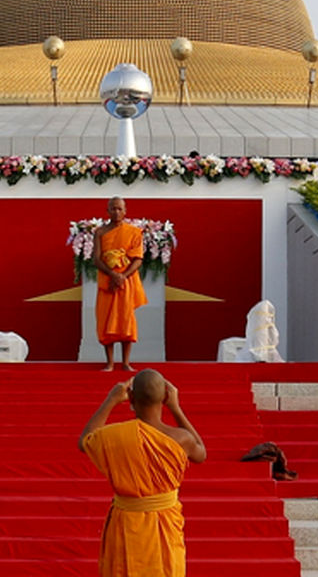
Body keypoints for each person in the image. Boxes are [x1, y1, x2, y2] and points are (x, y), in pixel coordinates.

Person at [80, 369, 207, 577]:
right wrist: (175, 408)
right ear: (165, 397)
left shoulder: (116, 435)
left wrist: (111, 400)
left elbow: (85, 440)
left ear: (130, 397)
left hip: (126, 524)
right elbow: (201, 452)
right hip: (165, 522)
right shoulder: (181, 438)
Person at [93, 196, 147, 371]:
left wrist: (122, 276)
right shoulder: (100, 232)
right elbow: (97, 259)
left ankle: (125, 362)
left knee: (125, 320)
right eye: (113, 209)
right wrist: (112, 274)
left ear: (125, 211)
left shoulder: (134, 232)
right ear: (107, 211)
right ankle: (109, 362)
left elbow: (138, 259)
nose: (116, 212)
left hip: (126, 282)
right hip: (107, 280)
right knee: (106, 319)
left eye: (119, 209)